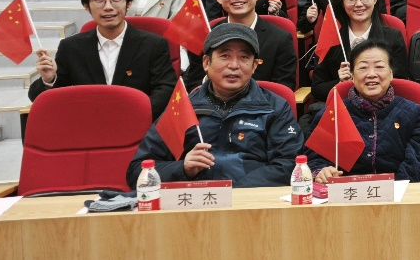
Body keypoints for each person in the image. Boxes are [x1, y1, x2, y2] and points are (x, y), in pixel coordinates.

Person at [127, 23, 303, 188]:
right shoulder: (184, 108)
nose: (234, 65)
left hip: (250, 202)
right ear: (206, 62)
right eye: (225, 56)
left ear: (254, 66)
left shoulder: (274, 108)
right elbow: (138, 171)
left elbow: (291, 166)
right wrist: (183, 168)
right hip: (197, 202)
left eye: (244, 57)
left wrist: (230, 190)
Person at [31, 0, 177, 118]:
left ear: (129, 3)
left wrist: (135, 116)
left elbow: (166, 89)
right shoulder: (71, 47)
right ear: (86, 6)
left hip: (138, 122)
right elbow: (41, 98)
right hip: (88, 123)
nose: (108, 7)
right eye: (99, 0)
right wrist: (49, 80)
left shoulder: (153, 45)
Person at [304, 39, 420, 186]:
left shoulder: (415, 114)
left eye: (379, 67)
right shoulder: (331, 115)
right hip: (344, 193)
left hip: (399, 192)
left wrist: (389, 189)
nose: (371, 74)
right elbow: (313, 159)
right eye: (363, 68)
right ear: (352, 75)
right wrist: (321, 172)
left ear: (391, 73)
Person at [184, 0, 297, 90]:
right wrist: (210, 78)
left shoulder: (280, 38)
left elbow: (283, 89)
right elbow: (193, 85)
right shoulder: (205, 35)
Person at [310, 0, 409, 104]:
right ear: (342, 2)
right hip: (341, 108)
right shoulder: (331, 38)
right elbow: (317, 88)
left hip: (383, 108)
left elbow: (401, 84)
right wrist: (340, 83)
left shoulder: (393, 37)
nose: (358, 4)